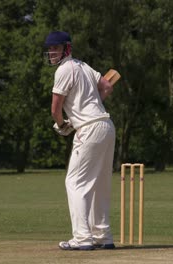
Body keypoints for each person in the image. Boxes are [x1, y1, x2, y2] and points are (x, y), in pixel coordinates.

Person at [44, 31, 116, 250]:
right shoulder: (84, 66)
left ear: (66, 48)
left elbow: (56, 108)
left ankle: (83, 238)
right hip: (106, 125)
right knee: (99, 184)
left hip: (89, 129)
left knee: (75, 182)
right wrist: (92, 104)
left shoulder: (64, 69)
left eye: (56, 48)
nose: (52, 53)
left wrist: (63, 124)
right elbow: (107, 86)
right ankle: (103, 237)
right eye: (50, 49)